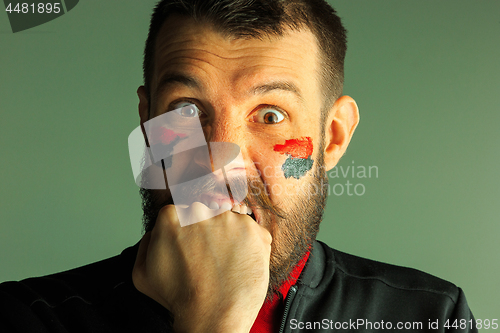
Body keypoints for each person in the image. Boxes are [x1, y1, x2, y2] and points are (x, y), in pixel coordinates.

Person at [0, 0, 477, 332]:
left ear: (332, 137)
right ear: (148, 125)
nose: (219, 163)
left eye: (271, 116)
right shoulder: (28, 317)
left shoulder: (431, 316)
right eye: (186, 111)